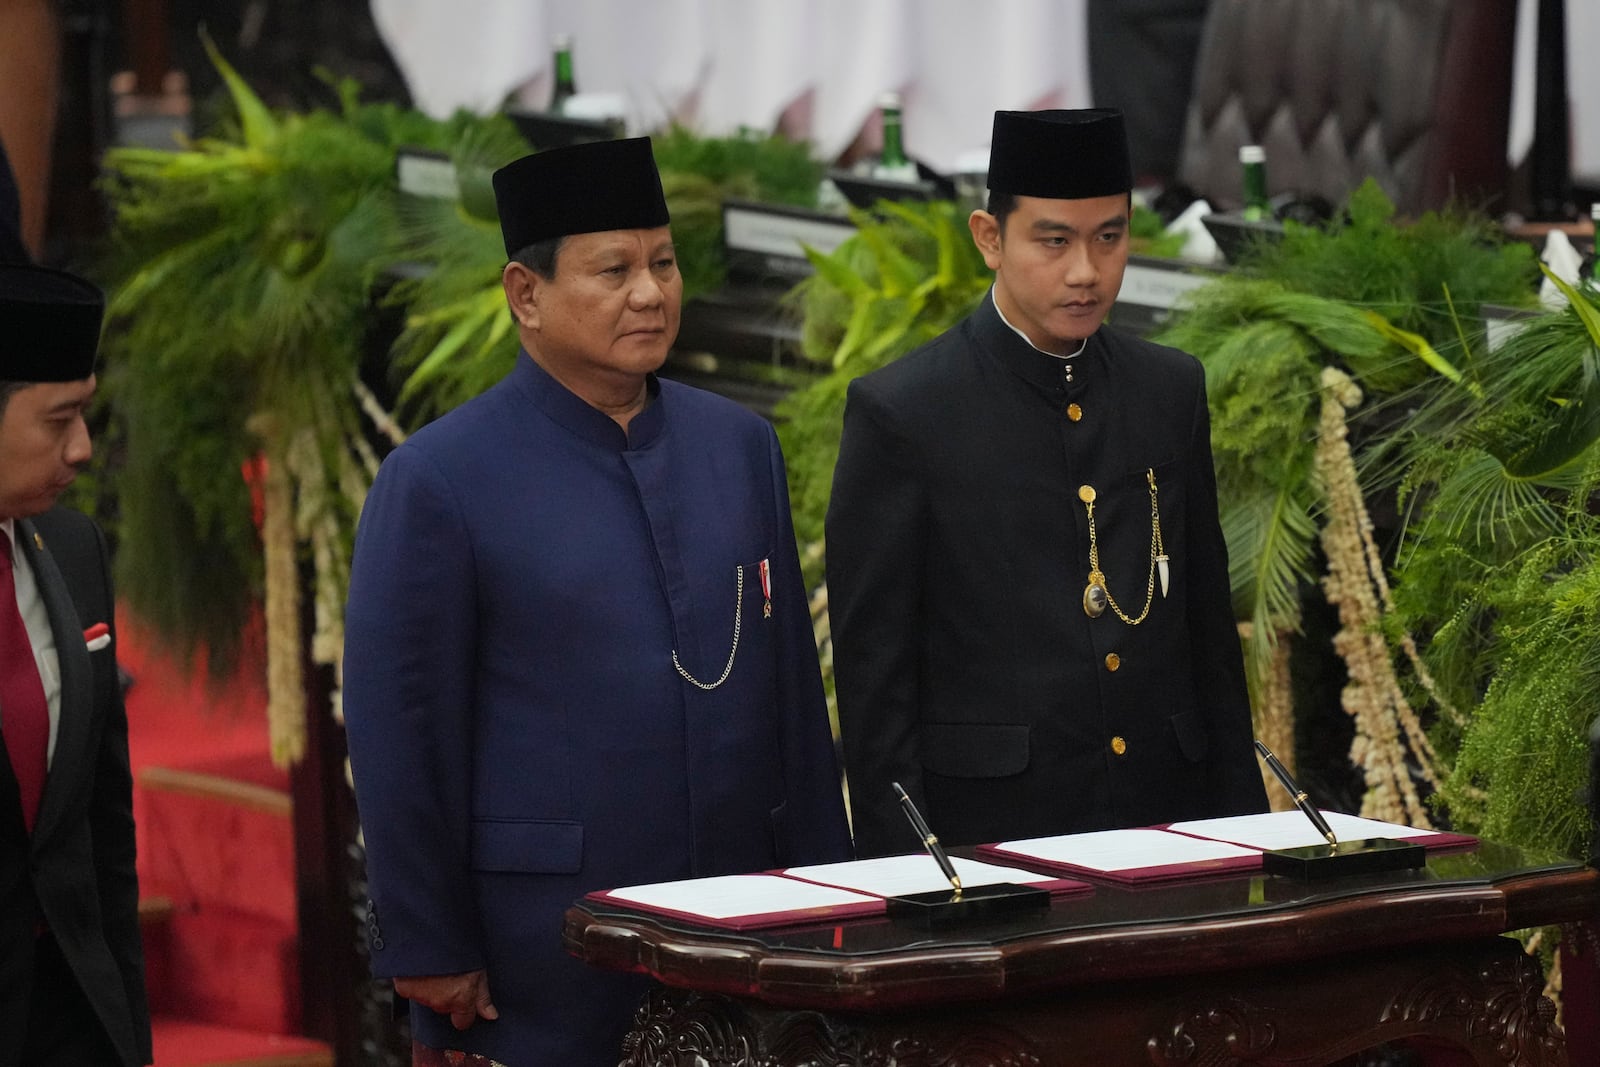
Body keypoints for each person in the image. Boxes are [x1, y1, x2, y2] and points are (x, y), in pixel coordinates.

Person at [342, 136, 852, 1067]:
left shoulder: (738, 446)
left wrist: (828, 888)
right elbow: (400, 731)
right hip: (543, 949)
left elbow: (793, 704)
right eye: (613, 269)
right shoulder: (441, 479)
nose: (651, 292)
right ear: (525, 295)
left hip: (741, 932)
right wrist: (429, 945)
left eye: (663, 262)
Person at [827, 108, 1267, 859]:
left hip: (1167, 820)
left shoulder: (1168, 390)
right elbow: (877, 688)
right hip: (994, 837)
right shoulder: (906, 413)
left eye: (1110, 237)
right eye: (1054, 240)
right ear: (990, 237)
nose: (1086, 272)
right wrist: (909, 879)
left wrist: (1247, 838)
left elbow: (1208, 641)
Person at [0, 263, 150, 1066]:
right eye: (61, 418)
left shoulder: (75, 547)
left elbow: (104, 824)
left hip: (69, 1010)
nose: (84, 448)